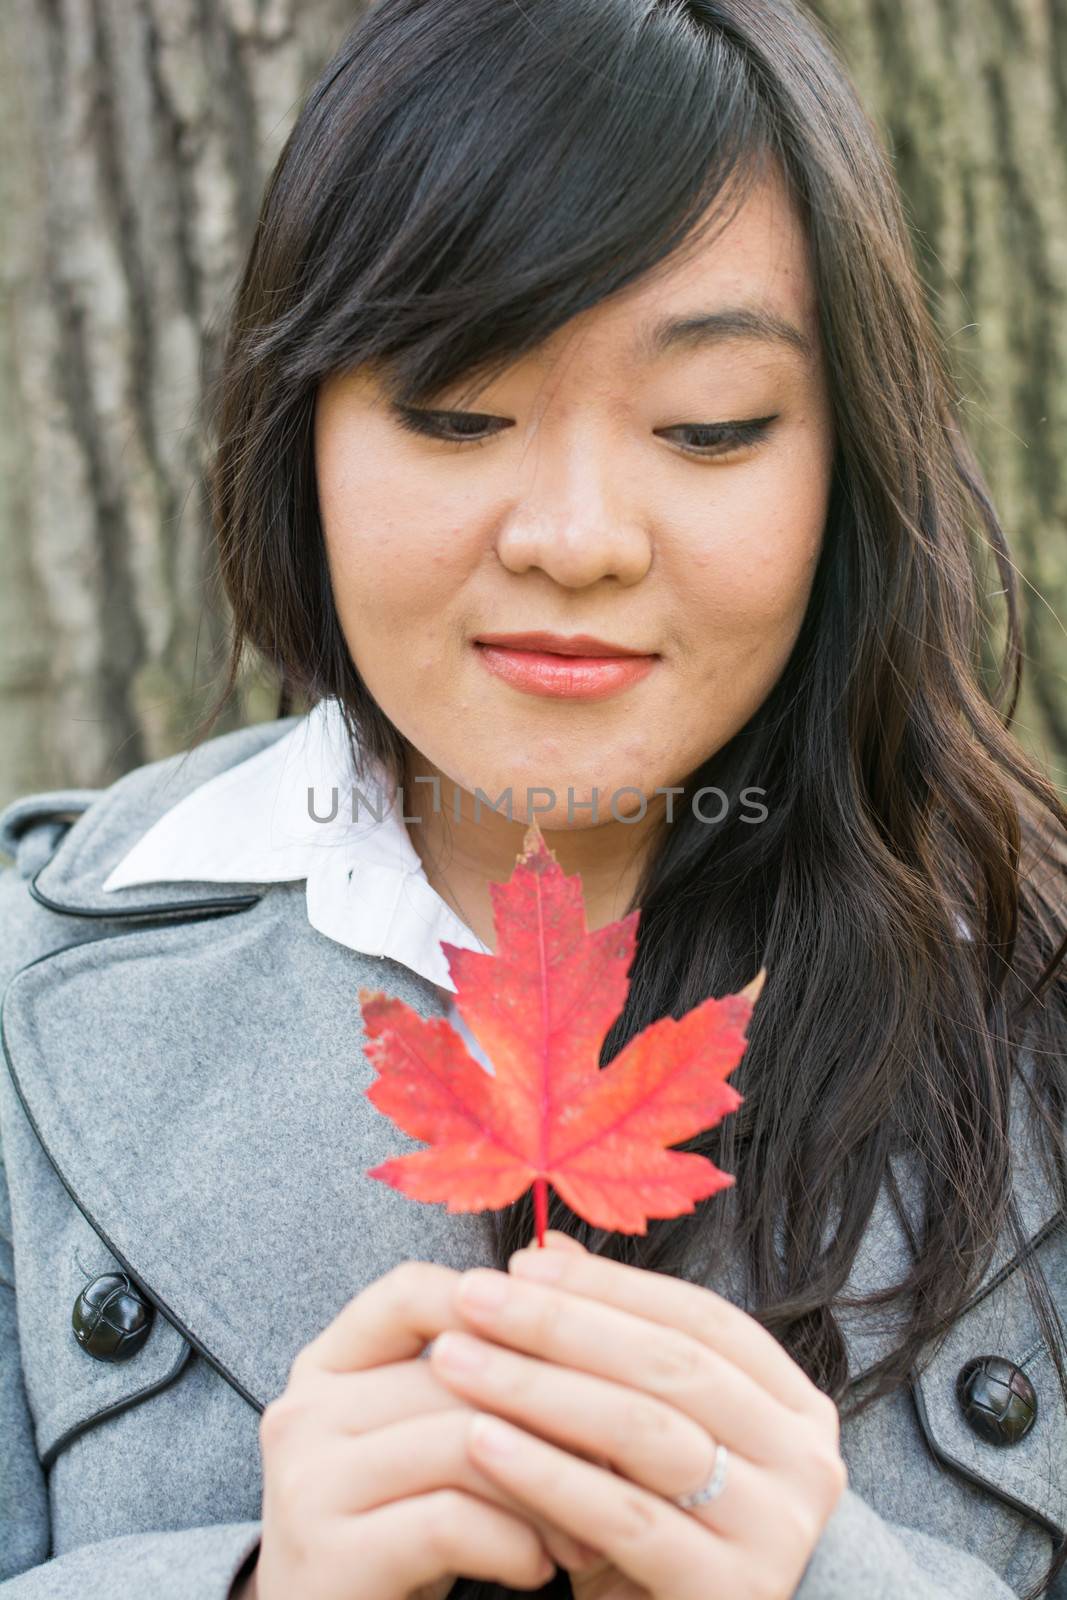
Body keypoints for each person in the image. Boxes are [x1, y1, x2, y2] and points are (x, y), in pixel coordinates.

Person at [1, 0, 1065, 1597]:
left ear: (850, 464)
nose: (576, 535)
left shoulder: (1033, 1004)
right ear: (300, 437)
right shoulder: (31, 993)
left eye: (710, 429)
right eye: (457, 411)